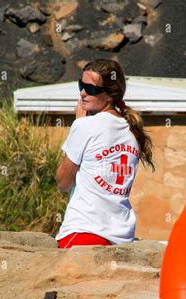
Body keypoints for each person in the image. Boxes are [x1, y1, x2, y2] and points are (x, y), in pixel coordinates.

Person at [55, 58, 155, 249]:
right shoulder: (132, 130)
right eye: (81, 85)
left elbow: (63, 182)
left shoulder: (85, 125)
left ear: (110, 95)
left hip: (83, 232)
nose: (83, 93)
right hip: (122, 237)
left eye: (91, 89)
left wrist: (78, 124)